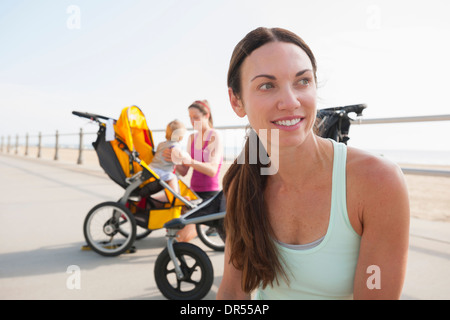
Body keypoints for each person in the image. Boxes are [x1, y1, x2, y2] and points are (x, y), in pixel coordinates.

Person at [216, 27, 410, 300]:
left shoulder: (377, 182)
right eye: (267, 85)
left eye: (302, 81)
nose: (290, 101)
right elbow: (233, 292)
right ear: (237, 102)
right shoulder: (243, 181)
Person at [166, 100, 223, 242]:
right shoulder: (192, 138)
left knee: (180, 237)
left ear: (206, 115)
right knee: (162, 205)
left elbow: (212, 170)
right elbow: (184, 171)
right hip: (193, 193)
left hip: (209, 195)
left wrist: (189, 161)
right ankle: (204, 225)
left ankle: (207, 225)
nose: (192, 121)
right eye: (190, 117)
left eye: (196, 117)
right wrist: (174, 159)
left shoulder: (214, 136)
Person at [149, 119, 186, 193]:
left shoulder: (161, 144)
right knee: (173, 178)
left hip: (151, 168)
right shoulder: (175, 145)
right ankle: (176, 195)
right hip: (163, 171)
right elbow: (177, 157)